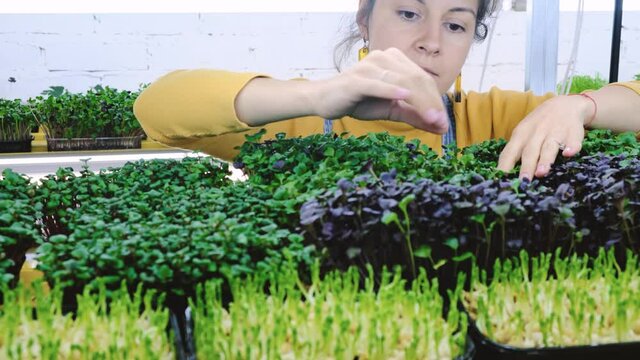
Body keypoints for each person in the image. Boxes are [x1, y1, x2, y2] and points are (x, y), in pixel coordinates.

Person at [134, 0, 640, 180]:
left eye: (456, 25)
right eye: (408, 13)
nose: (431, 43)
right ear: (365, 20)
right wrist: (311, 96)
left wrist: (578, 104)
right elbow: (156, 108)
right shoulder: (298, 123)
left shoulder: (496, 119)